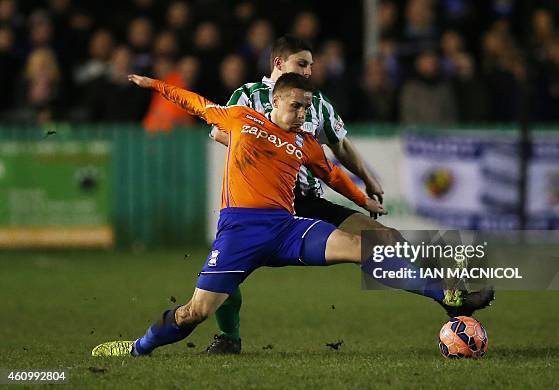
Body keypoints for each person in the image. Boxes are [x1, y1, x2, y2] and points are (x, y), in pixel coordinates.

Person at [91, 73, 494, 357]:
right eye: (295, 105)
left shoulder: (304, 144)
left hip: (286, 230)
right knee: (195, 313)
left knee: (365, 248)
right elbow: (196, 104)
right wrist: (155, 86)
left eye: (305, 107)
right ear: (276, 102)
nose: (302, 113)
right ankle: (138, 347)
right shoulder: (242, 120)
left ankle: (448, 295)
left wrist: (364, 200)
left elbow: (334, 175)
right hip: (238, 234)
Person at [207, 35, 402, 354]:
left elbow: (340, 145)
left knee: (384, 238)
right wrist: (272, 153)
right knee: (224, 281)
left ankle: (450, 297)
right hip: (259, 204)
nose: (309, 71)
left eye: (311, 65)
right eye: (302, 64)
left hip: (306, 200)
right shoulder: (247, 96)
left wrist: (367, 179)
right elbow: (218, 131)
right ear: (278, 65)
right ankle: (228, 338)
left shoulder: (317, 102)